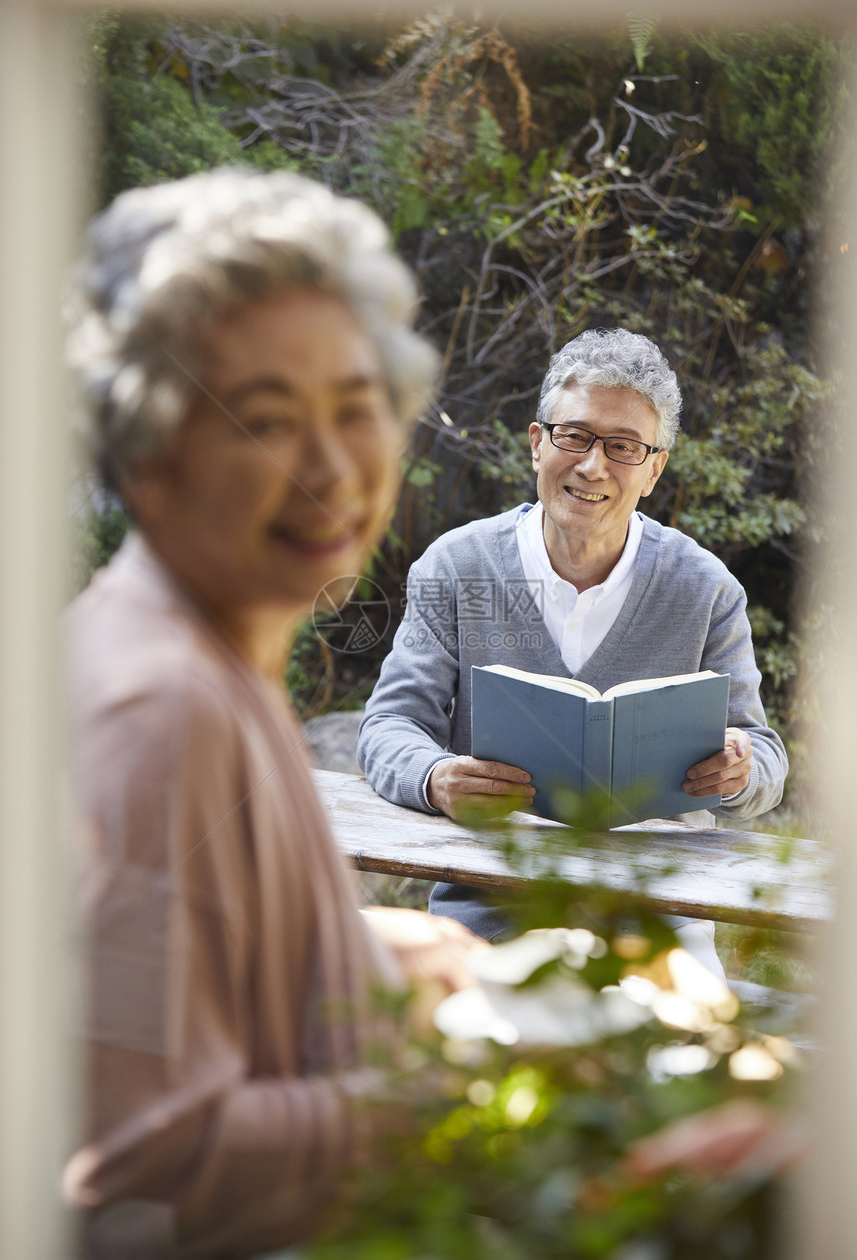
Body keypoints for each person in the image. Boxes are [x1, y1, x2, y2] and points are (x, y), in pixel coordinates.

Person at [61, 169, 484, 1258]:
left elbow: (158, 994)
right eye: (262, 421)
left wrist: (363, 961)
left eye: (355, 409)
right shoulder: (161, 707)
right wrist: (468, 1091)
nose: (330, 470)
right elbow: (146, 1159)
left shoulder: (220, 649)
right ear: (147, 458)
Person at [358, 329, 789, 958]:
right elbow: (390, 723)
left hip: (660, 914)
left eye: (623, 447)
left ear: (653, 470)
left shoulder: (705, 589)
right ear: (538, 444)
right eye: (575, 436)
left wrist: (740, 770)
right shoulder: (456, 567)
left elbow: (768, 759)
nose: (593, 465)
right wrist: (435, 776)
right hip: (495, 908)